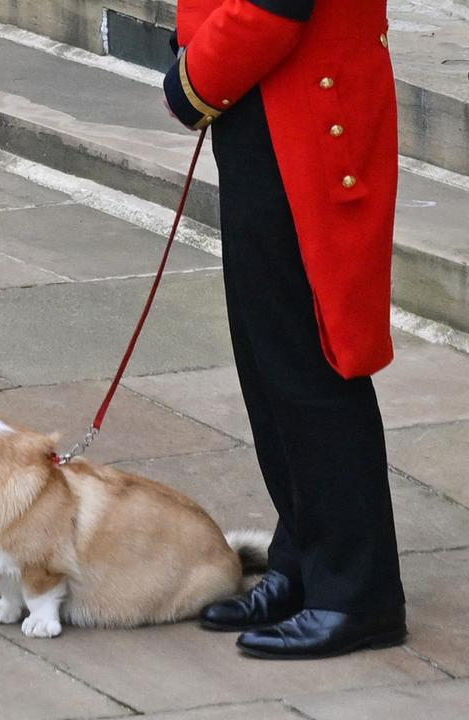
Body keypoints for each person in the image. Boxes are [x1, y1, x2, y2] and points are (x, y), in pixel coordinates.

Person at [162, 0, 406, 658]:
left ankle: (359, 596)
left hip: (304, 111)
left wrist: (194, 79)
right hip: (261, 105)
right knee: (268, 363)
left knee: (311, 367)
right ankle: (302, 560)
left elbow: (276, 7)